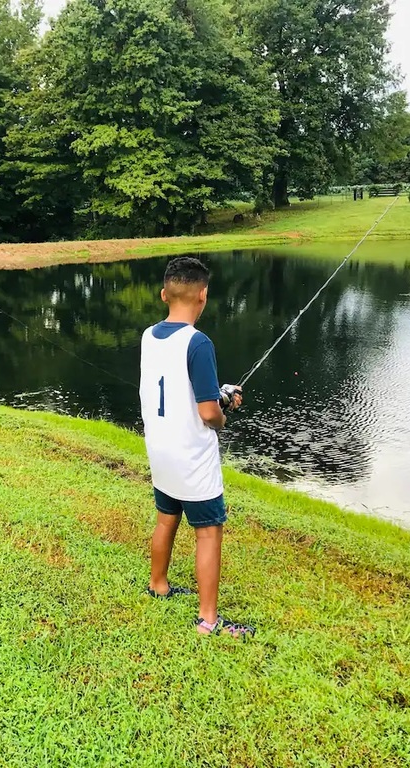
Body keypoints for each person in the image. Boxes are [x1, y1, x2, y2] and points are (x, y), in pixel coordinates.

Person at [139, 256, 255, 639]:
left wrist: (218, 396)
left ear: (164, 294)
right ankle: (208, 621)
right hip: (192, 458)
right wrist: (223, 414)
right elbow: (208, 414)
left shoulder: (148, 336)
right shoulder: (198, 342)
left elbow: (174, 388)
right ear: (203, 295)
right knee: (208, 532)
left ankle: (158, 584)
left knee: (165, 519)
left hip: (161, 452)